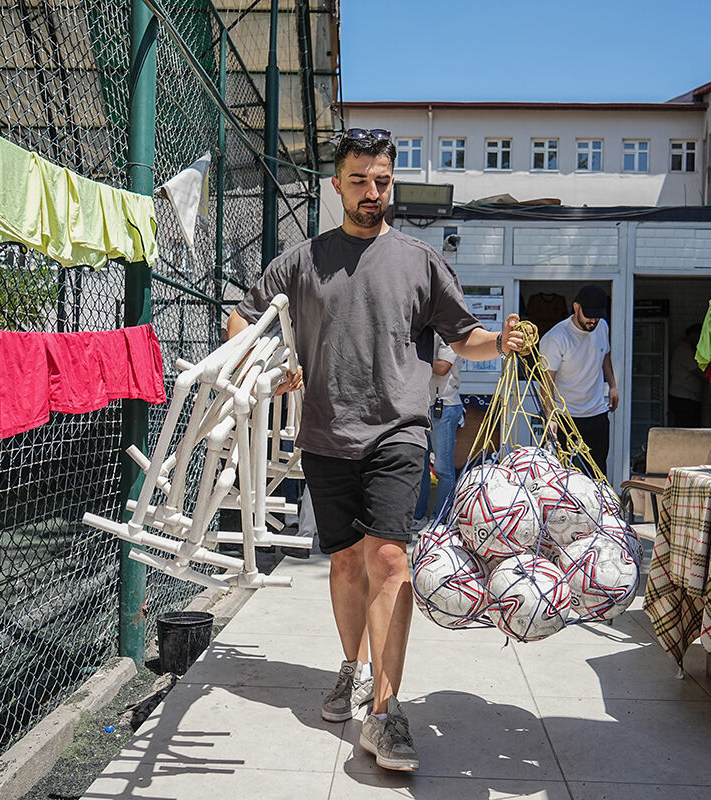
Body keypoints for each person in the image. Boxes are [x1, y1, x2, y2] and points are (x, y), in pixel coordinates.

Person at [226, 128, 524, 772]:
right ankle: (352, 667)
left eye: (382, 180)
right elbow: (243, 318)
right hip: (326, 432)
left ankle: (386, 713)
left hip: (398, 430)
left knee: (389, 558)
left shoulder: (419, 261)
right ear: (337, 185)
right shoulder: (303, 261)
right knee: (344, 563)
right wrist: (269, 364)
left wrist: (499, 343)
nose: (371, 191)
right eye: (359, 180)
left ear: (393, 184)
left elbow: (463, 336)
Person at [538, 284, 619, 477]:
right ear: (576, 307)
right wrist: (550, 416)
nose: (593, 321)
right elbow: (546, 382)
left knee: (597, 473)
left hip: (596, 412)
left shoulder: (602, 327)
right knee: (560, 475)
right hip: (564, 415)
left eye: (597, 316)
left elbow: (605, 355)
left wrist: (613, 386)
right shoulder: (556, 338)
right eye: (589, 315)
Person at [414, 332, 463, 525]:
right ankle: (418, 517)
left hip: (444, 406)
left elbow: (443, 367)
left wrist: (412, 360)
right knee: (419, 467)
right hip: (421, 405)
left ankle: (440, 520)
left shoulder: (447, 331)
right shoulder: (421, 331)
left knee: (443, 469)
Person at [669, 323, 705, 427]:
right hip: (683, 397)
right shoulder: (684, 350)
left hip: (688, 396)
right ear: (693, 335)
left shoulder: (688, 349)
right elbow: (697, 371)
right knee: (686, 428)